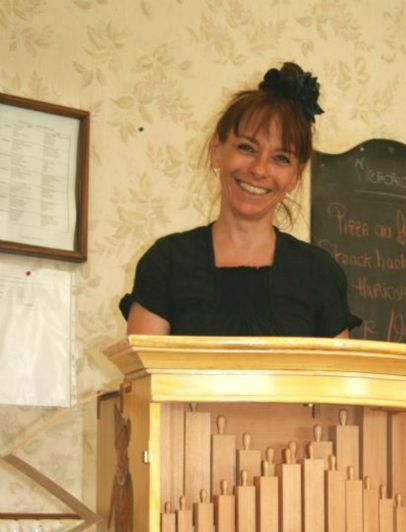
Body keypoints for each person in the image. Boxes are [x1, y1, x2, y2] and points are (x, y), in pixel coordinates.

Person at [120, 62, 361, 338]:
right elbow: (143, 378)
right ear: (216, 151)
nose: (259, 169)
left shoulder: (321, 274)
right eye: (247, 148)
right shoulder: (166, 263)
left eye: (281, 158)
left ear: (296, 175)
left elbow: (337, 380)